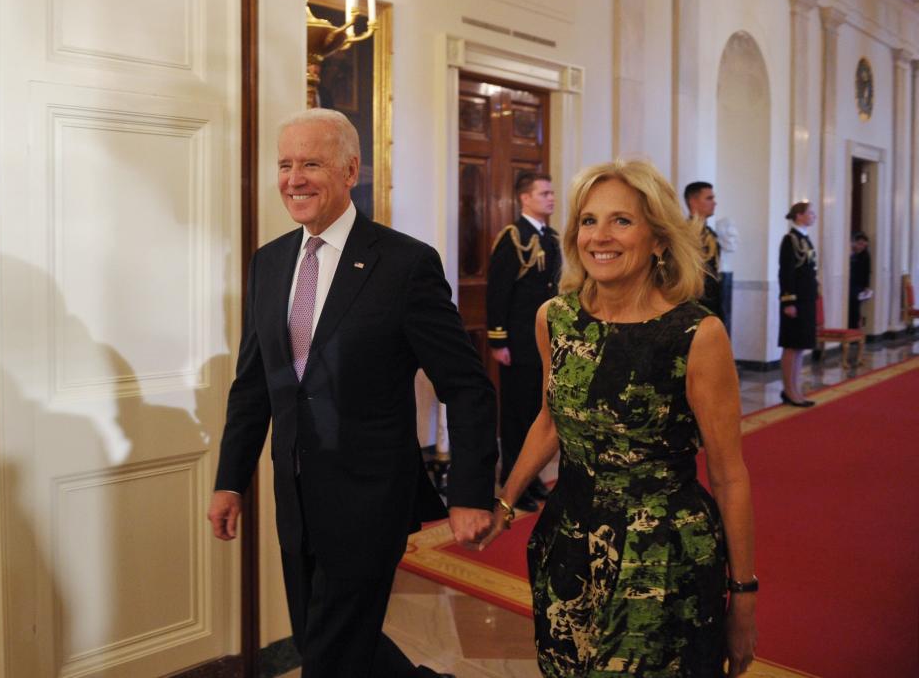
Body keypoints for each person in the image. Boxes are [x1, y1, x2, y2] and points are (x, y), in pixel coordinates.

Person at [207, 108, 498, 678]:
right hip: (293, 496)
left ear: (350, 169)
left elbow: (466, 387)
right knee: (329, 638)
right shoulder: (269, 262)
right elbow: (253, 387)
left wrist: (470, 492)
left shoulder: (405, 263)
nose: (294, 179)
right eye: (286, 164)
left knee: (332, 654)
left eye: (311, 163)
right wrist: (228, 479)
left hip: (370, 497)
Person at [481, 159, 758, 677]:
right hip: (568, 543)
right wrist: (505, 500)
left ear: (658, 238)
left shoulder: (696, 335)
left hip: (663, 556)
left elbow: (728, 473)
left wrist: (742, 597)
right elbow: (549, 419)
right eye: (589, 220)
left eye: (621, 221)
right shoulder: (555, 319)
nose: (600, 236)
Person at [486, 171, 561, 512]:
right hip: (517, 342)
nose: (551, 198)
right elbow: (499, 292)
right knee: (517, 416)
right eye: (544, 193)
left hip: (543, 341)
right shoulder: (513, 238)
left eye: (551, 193)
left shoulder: (550, 237)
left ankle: (532, 477)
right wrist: (498, 340)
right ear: (525, 198)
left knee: (537, 412)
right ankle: (515, 480)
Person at [778, 202, 818, 407]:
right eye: (811, 213)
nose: (814, 216)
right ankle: (788, 390)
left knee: (801, 346)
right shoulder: (790, 240)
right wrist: (789, 301)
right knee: (791, 345)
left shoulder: (805, 238)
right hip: (794, 301)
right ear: (799, 215)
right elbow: (786, 273)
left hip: (806, 300)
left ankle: (795, 388)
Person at [684, 181, 724, 323]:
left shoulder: (709, 234)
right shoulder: (684, 233)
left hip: (712, 300)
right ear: (693, 201)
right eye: (709, 198)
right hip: (694, 302)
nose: (714, 203)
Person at [848, 231, 871, 329]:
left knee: (855, 307)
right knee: (850, 307)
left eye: (863, 244)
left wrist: (866, 286)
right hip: (849, 284)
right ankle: (851, 327)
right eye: (859, 243)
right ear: (854, 242)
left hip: (858, 286)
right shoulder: (850, 254)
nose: (861, 246)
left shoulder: (865, 256)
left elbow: (867, 272)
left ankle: (855, 329)